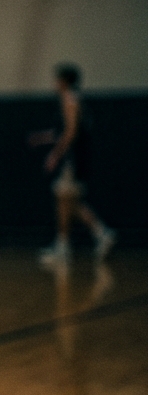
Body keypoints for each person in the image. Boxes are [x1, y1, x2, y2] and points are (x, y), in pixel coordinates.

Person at [30, 63, 114, 264]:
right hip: (76, 157)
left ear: (64, 81)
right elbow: (62, 131)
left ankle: (92, 236)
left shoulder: (69, 98)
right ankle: (86, 238)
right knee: (67, 200)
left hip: (73, 158)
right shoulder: (73, 99)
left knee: (65, 199)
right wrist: (42, 138)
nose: (54, 83)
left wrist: (55, 155)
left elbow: (70, 132)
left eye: (57, 79)